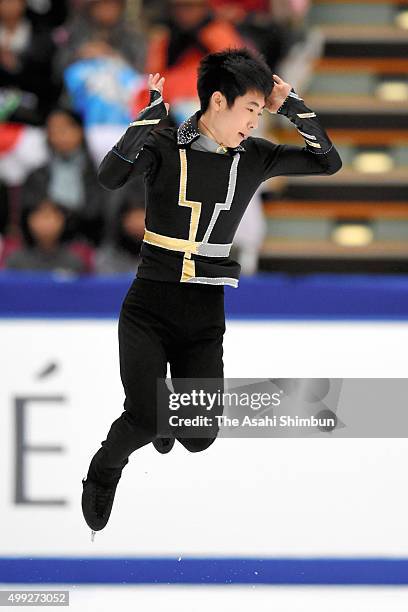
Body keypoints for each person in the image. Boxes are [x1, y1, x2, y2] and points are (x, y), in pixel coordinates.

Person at [81, 47, 342, 535]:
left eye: (261, 114)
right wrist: (145, 122)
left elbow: (327, 162)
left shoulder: (257, 157)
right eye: (251, 110)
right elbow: (110, 175)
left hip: (204, 316)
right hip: (149, 307)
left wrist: (293, 108)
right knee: (145, 419)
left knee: (199, 437)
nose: (254, 123)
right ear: (217, 101)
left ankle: (161, 416)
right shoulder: (163, 146)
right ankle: (104, 468)